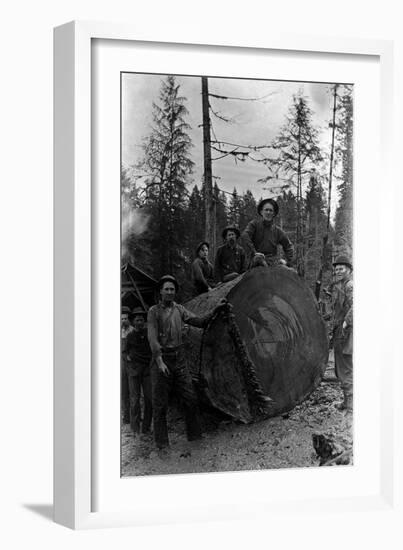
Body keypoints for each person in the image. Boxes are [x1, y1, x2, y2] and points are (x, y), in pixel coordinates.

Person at [147, 275, 227, 451]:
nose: (169, 292)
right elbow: (152, 338)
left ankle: (196, 438)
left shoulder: (180, 309)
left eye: (172, 289)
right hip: (162, 359)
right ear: (160, 291)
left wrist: (215, 310)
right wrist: (159, 361)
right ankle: (162, 446)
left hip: (179, 359)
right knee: (160, 405)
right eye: (166, 289)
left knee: (190, 399)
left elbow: (199, 321)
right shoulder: (153, 311)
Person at [241, 198, 294, 267]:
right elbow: (245, 235)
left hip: (273, 262)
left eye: (271, 210)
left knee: (290, 273)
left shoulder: (278, 231)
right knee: (258, 261)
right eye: (266, 210)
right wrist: (254, 252)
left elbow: (288, 246)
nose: (268, 212)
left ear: (274, 214)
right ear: (261, 212)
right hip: (256, 260)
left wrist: (286, 261)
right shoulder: (254, 224)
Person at [125, 307, 153, 437]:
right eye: (137, 320)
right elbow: (124, 352)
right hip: (134, 371)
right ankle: (135, 428)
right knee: (135, 399)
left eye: (142, 320)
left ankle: (146, 427)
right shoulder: (129, 336)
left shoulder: (149, 333)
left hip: (147, 370)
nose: (140, 322)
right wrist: (128, 358)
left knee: (149, 398)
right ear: (133, 322)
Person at [332, 255, 353, 412]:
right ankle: (347, 401)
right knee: (341, 366)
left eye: (341, 269)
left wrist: (346, 322)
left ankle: (351, 404)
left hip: (348, 331)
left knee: (346, 366)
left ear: (349, 270)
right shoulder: (340, 286)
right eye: (337, 269)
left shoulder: (350, 285)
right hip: (341, 330)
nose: (338, 271)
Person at [121, 305, 133, 424]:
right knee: (124, 390)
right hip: (121, 364)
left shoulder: (133, 330)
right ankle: (126, 415)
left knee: (134, 390)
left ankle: (135, 415)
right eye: (122, 318)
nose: (124, 320)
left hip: (132, 363)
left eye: (126, 318)